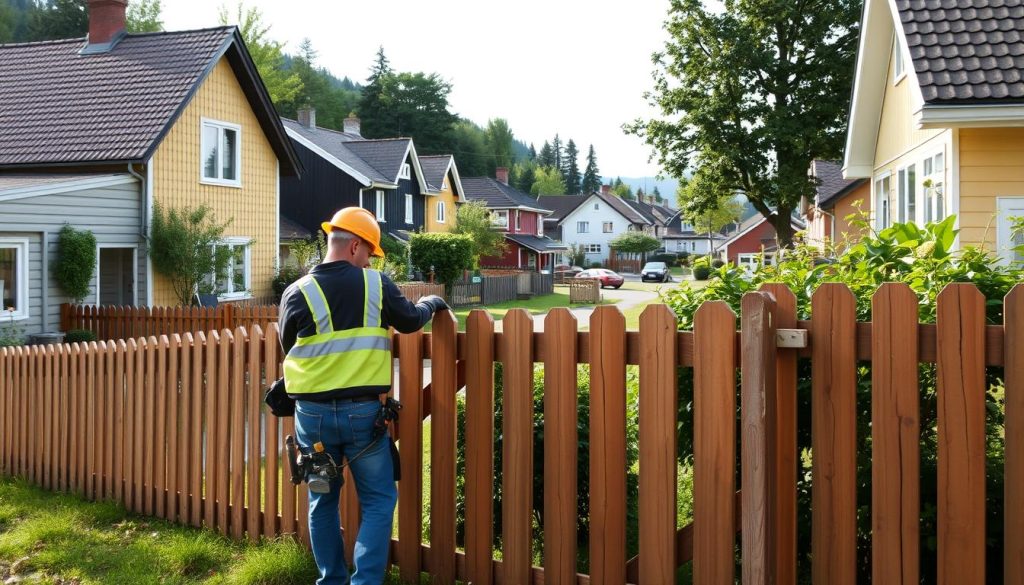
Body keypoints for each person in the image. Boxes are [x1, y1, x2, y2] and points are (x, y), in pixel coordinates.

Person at [279, 207, 448, 585]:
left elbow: (289, 347)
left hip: (313, 418)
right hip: (363, 417)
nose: (370, 259)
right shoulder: (375, 284)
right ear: (354, 245)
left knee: (322, 501)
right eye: (369, 251)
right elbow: (408, 321)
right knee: (378, 500)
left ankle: (331, 581)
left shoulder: (296, 292)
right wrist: (432, 303)